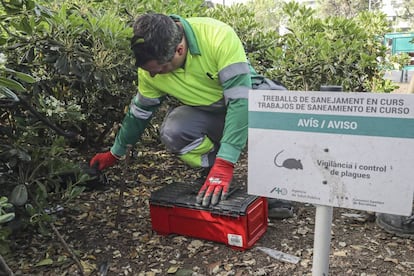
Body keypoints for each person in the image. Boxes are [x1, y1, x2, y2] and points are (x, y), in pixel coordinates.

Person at [89, 13, 293, 218]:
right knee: (174, 129)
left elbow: (240, 102)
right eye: (149, 70)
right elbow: (139, 114)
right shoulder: (150, 68)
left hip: (256, 103)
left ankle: (276, 189)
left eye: (160, 69)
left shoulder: (216, 36)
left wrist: (227, 162)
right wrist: (115, 152)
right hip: (213, 113)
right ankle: (212, 170)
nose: (153, 75)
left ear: (179, 50)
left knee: (276, 110)